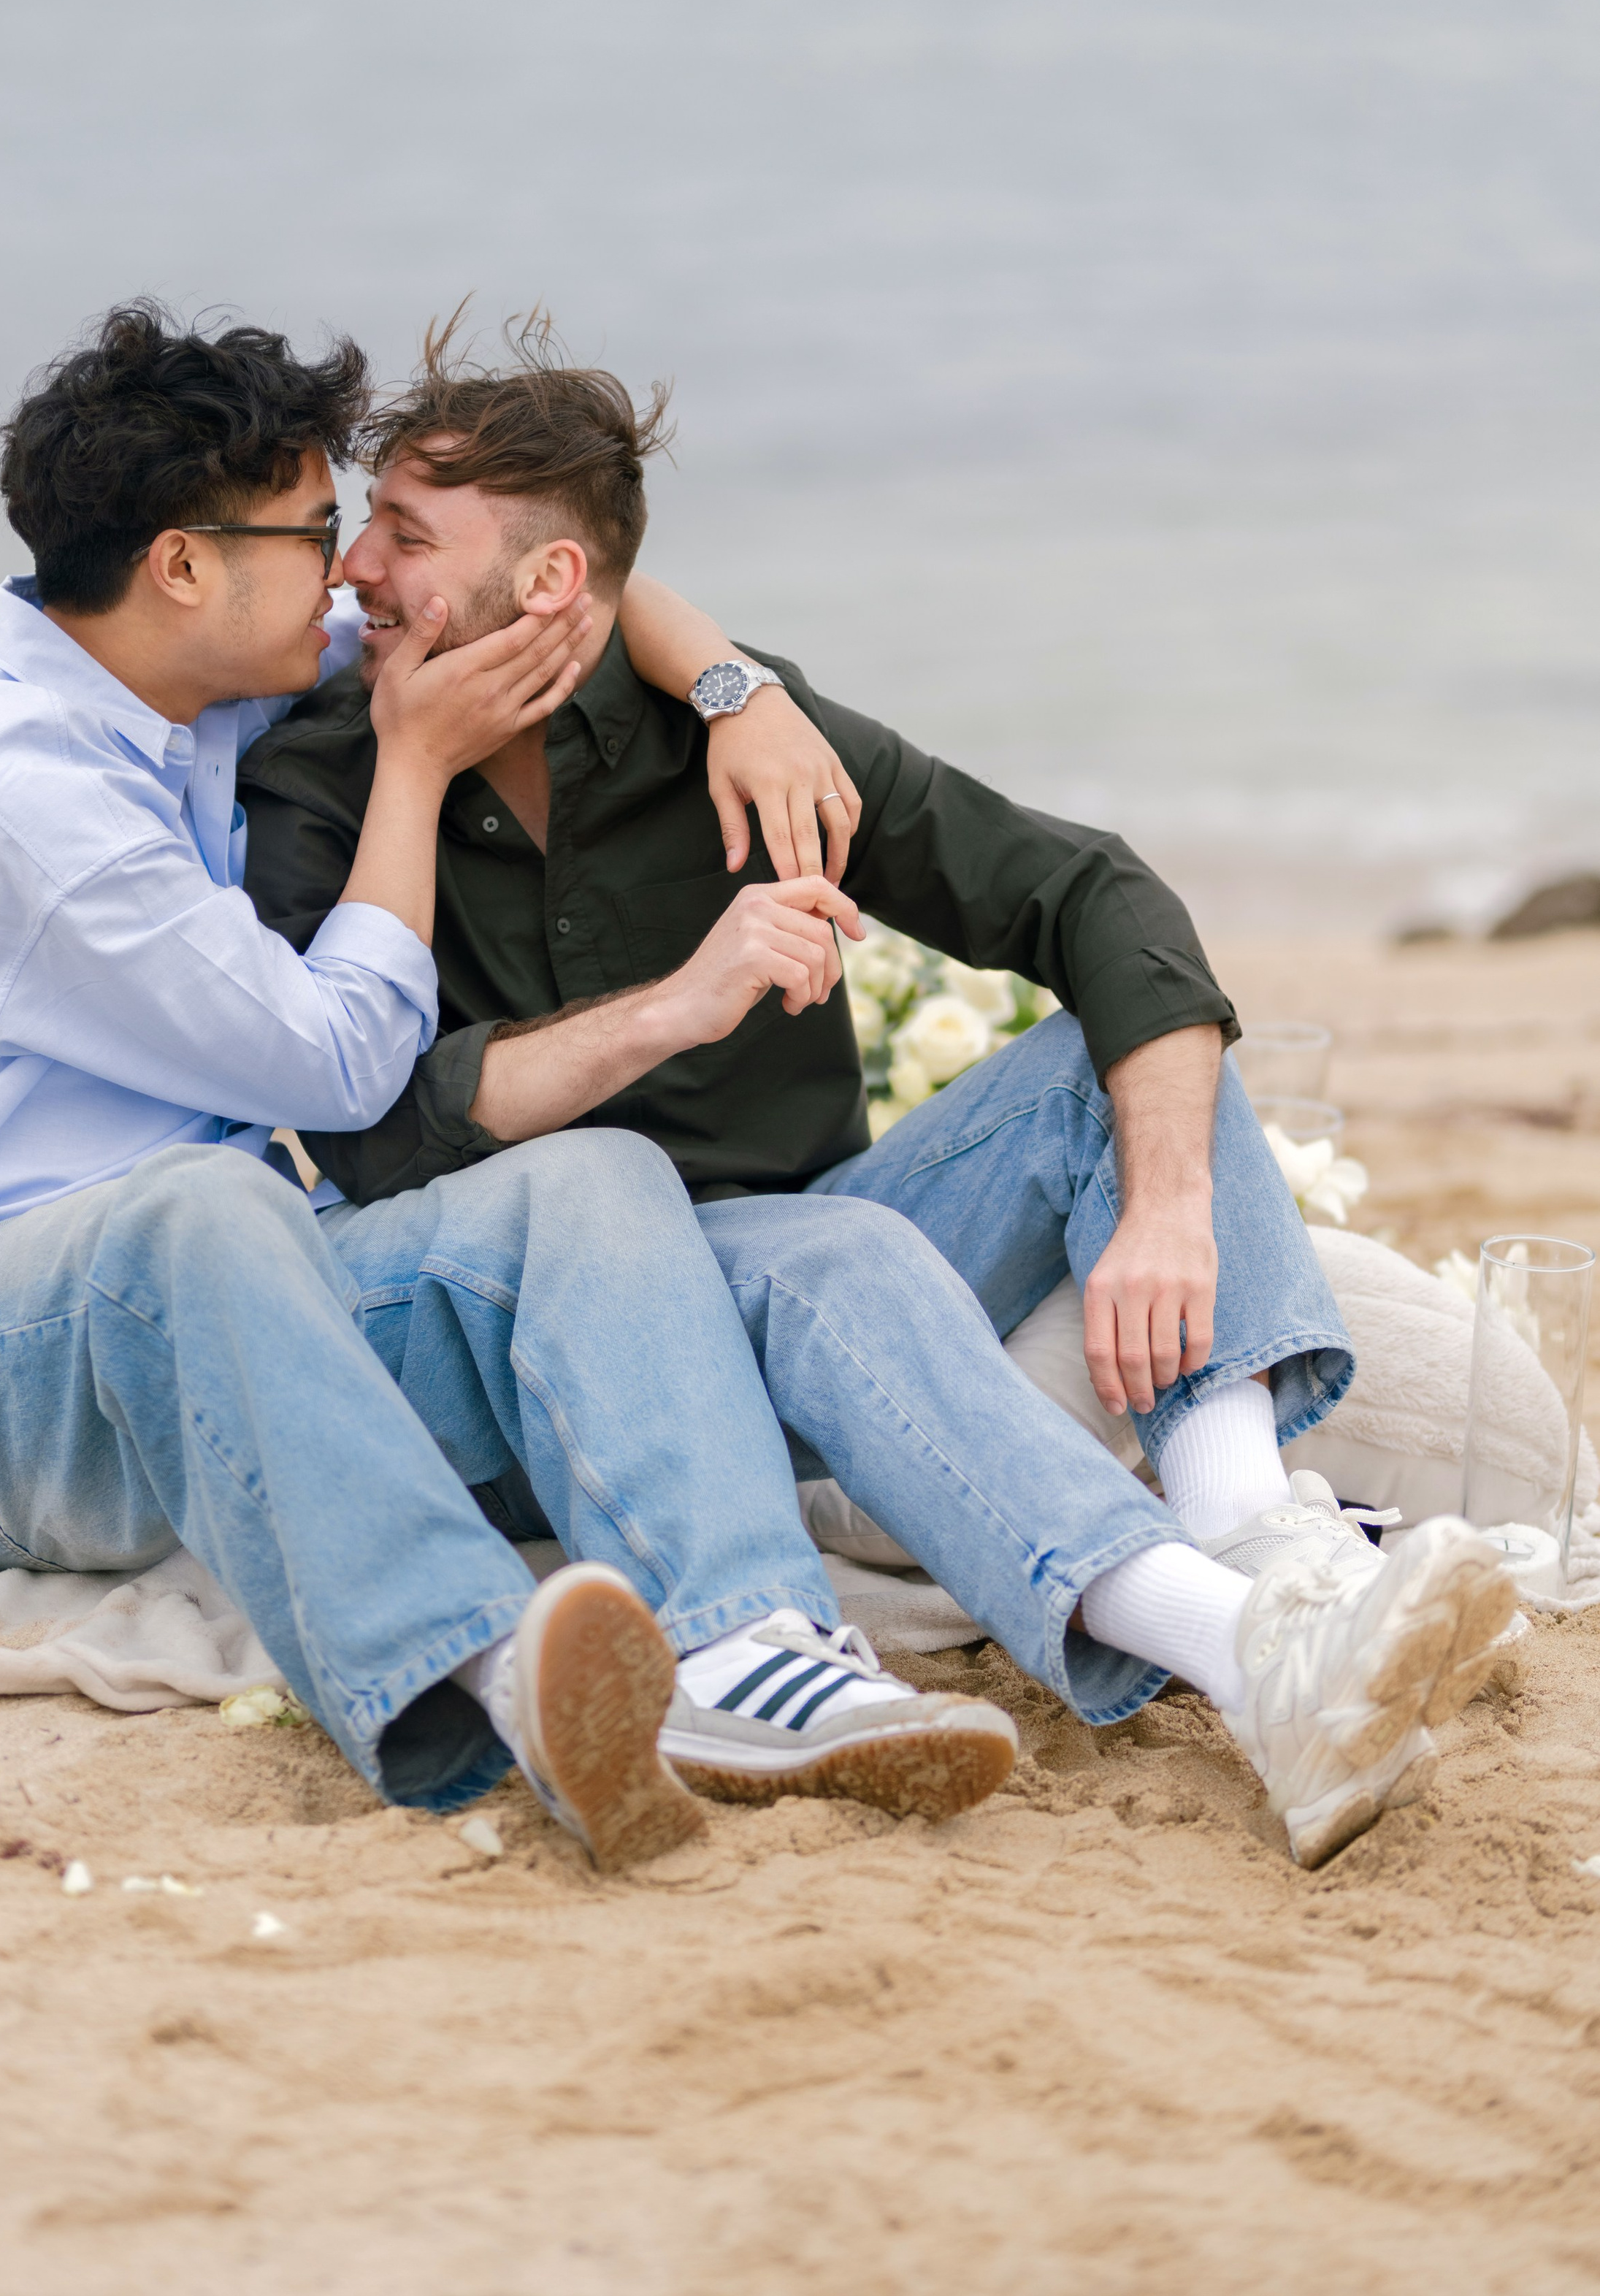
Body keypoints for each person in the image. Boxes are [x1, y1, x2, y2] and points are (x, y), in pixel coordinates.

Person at [239, 322, 1517, 1867]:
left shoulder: (728, 732)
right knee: (817, 1251)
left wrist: (1166, 1205)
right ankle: (1241, 1656)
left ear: (554, 588)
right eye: (367, 522)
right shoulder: (322, 769)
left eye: (402, 533)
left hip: (827, 1242)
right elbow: (375, 1136)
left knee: (1086, 1073)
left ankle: (1259, 1542)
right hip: (563, 1338)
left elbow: (1087, 896)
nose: (353, 567)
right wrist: (678, 1001)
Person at [0, 302, 1026, 1872]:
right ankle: (487, 1675)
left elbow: (548, 597)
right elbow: (331, 1060)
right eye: (318, 531)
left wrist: (733, 687)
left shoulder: (171, 671)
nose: (351, 570)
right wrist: (420, 766)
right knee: (200, 1207)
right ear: (181, 564)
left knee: (586, 1179)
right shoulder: (24, 789)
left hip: (214, 1318)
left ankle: (746, 1652)